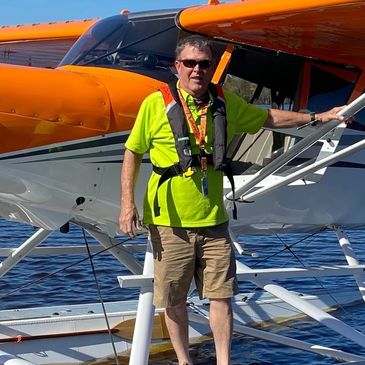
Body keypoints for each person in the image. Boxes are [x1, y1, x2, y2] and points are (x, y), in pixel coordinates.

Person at [119, 35, 345, 365]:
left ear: (211, 68)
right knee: (174, 300)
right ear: (177, 67)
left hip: (214, 220)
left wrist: (318, 118)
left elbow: (268, 118)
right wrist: (127, 205)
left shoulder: (224, 103)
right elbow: (133, 151)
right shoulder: (155, 104)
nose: (197, 70)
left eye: (204, 64)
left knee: (222, 296)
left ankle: (224, 362)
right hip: (170, 224)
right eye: (190, 63)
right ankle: (185, 361)